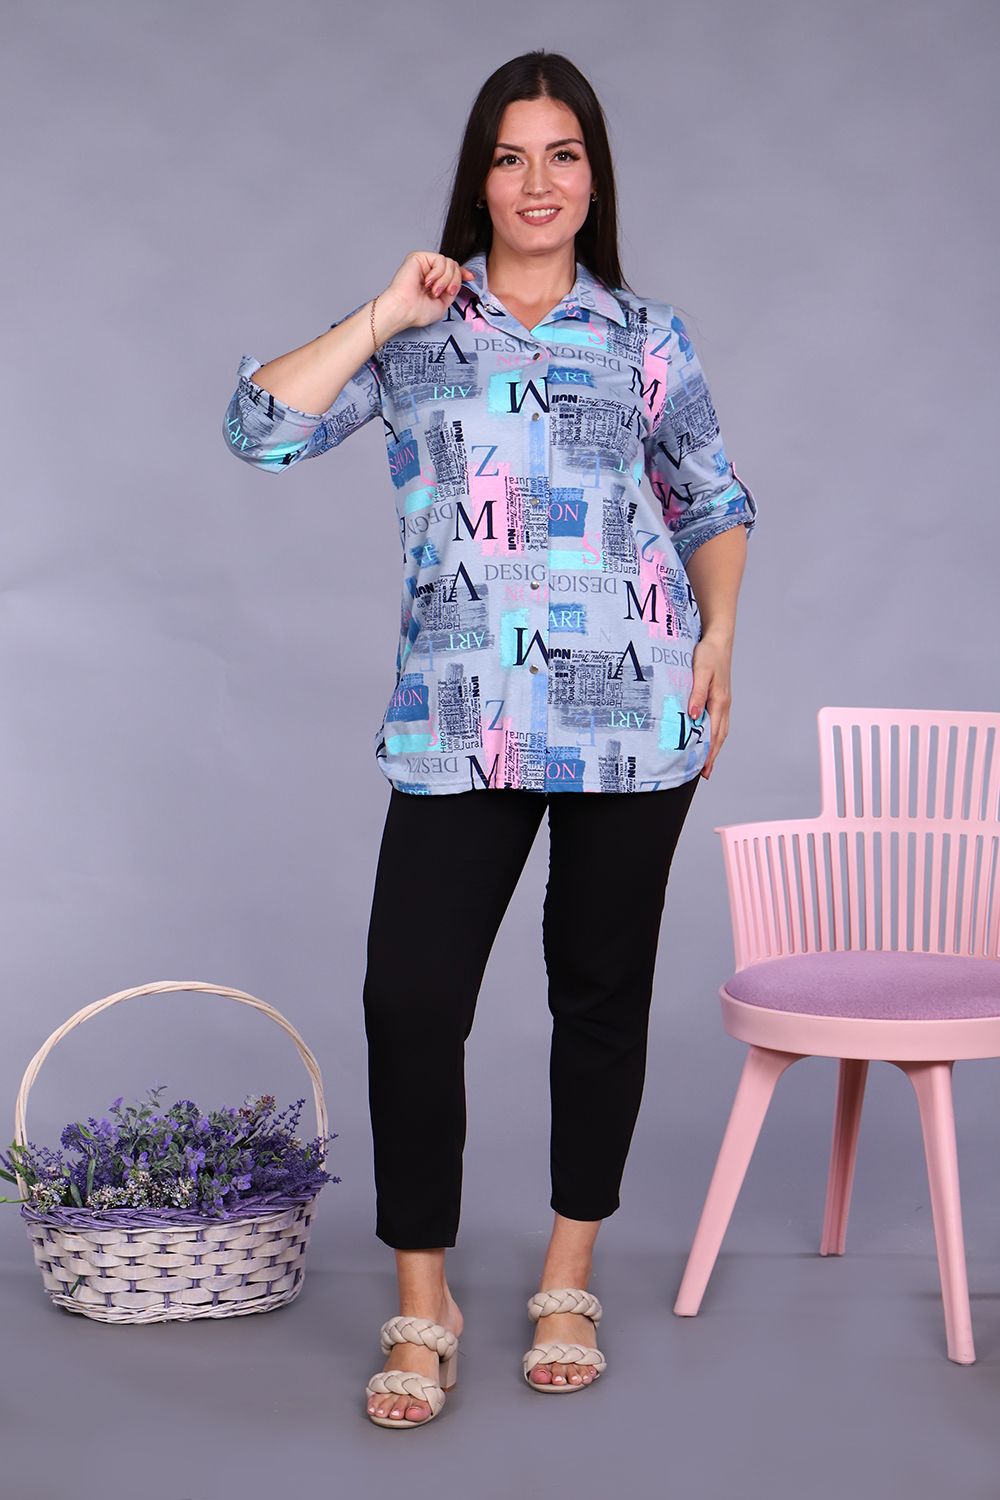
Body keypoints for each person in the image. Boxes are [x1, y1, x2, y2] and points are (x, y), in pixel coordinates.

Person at [224, 50, 755, 1428]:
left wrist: (717, 638)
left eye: (562, 155)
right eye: (511, 158)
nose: (537, 182)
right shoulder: (419, 328)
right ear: (478, 179)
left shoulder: (647, 335)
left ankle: (568, 1276)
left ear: (595, 178)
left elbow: (711, 496)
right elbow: (258, 432)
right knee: (411, 998)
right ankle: (426, 1299)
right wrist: (382, 308)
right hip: (460, 721)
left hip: (634, 719)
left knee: (600, 993)